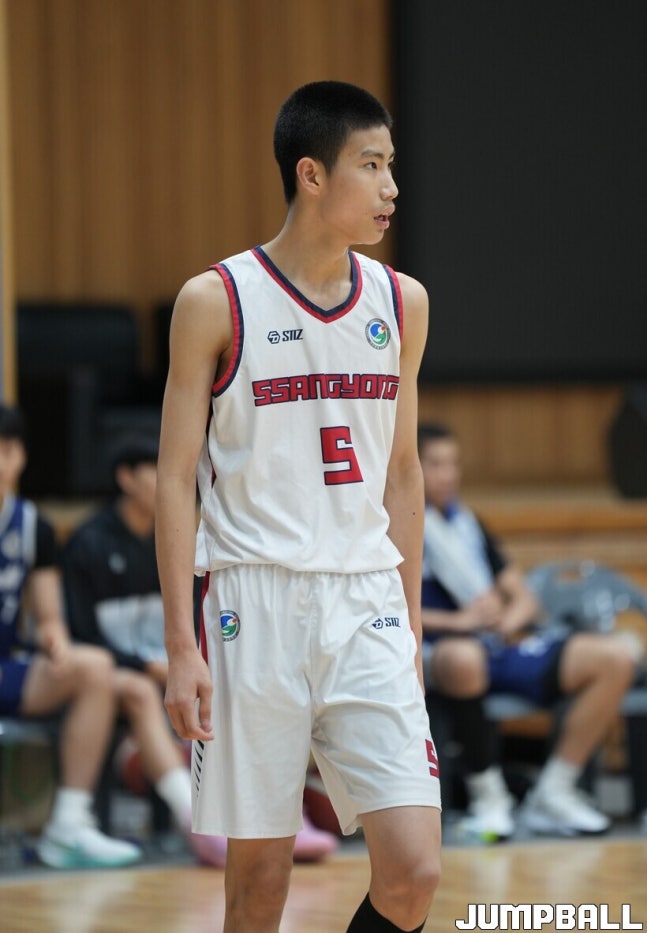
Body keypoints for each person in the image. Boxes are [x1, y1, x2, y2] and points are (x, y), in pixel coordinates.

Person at [155, 81, 442, 933]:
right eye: (372, 165)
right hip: (254, 601)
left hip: (366, 601)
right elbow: (173, 479)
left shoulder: (402, 302)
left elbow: (403, 475)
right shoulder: (214, 300)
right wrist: (180, 647)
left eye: (391, 165)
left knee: (414, 870)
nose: (391, 187)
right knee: (260, 884)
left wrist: (410, 623)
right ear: (311, 174)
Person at [62, 433, 337, 866]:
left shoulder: (191, 537)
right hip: (121, 676)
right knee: (139, 690)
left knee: (251, 684)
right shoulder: (88, 543)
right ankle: (195, 819)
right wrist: (148, 665)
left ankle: (281, 814)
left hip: (179, 672)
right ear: (126, 478)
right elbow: (80, 635)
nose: (175, 481)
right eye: (157, 470)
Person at [419, 421, 637, 840]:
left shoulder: (467, 523)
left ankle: (554, 792)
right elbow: (387, 605)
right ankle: (488, 798)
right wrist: (458, 623)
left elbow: (523, 597)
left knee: (615, 657)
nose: (448, 474)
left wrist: (508, 619)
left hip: (499, 644)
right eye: (436, 463)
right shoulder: (396, 526)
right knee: (463, 658)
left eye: (454, 463)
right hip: (442, 650)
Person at [0, 403, 141, 869]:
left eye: (8, 449)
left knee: (93, 667)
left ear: (21, 456)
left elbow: (48, 616)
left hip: (7, 668)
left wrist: (56, 641)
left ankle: (68, 826)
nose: (2, 459)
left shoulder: (33, 527)